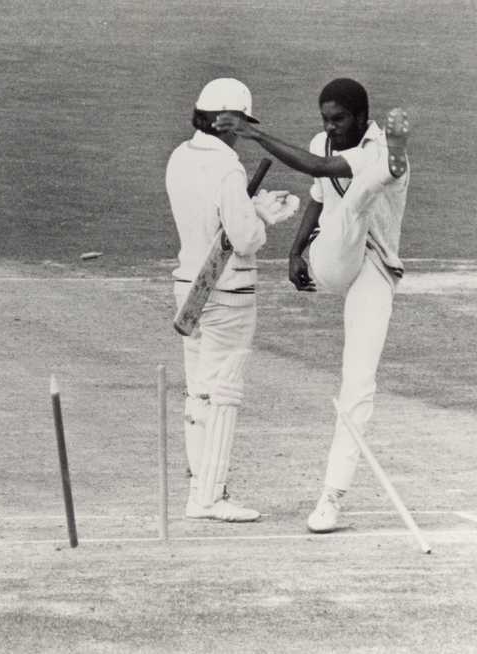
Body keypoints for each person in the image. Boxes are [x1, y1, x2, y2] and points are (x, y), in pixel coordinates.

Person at [214, 78, 411, 532]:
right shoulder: (324, 143)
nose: (331, 127)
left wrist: (254, 132)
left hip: (377, 270)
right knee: (349, 207)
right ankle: (387, 175)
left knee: (358, 383)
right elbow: (318, 194)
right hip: (333, 260)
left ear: (363, 119)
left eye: (339, 119)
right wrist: (294, 250)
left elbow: (322, 169)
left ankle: (331, 497)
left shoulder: (377, 144)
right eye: (325, 119)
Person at [166, 78, 298, 522]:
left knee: (199, 392)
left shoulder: (179, 157)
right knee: (222, 392)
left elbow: (210, 222)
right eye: (240, 123)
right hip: (229, 291)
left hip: (189, 285)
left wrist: (250, 207)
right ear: (227, 121)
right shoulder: (228, 169)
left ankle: (197, 492)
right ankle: (211, 496)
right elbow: (243, 239)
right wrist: (261, 216)